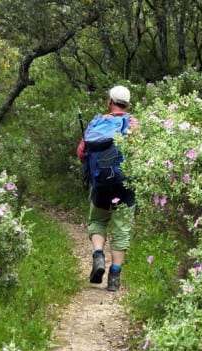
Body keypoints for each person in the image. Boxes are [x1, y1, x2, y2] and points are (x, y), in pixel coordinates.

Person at [76, 85, 138, 292]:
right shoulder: (133, 124)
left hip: (100, 183)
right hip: (125, 184)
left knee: (97, 221)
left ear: (109, 102)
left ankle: (98, 256)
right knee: (121, 229)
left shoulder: (96, 123)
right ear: (127, 104)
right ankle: (114, 277)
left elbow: (81, 152)